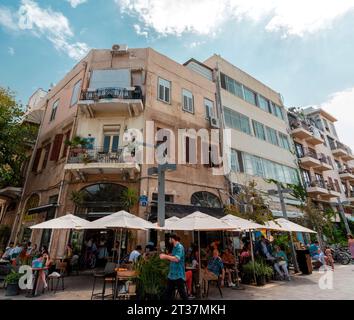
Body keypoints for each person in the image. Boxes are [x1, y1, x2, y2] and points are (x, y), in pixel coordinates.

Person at [160, 234, 188, 300]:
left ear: (173, 239)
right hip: (172, 274)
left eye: (170, 239)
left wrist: (165, 256)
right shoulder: (174, 247)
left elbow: (176, 259)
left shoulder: (180, 247)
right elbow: (172, 257)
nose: (169, 240)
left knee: (182, 293)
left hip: (178, 274)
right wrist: (166, 255)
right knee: (168, 292)